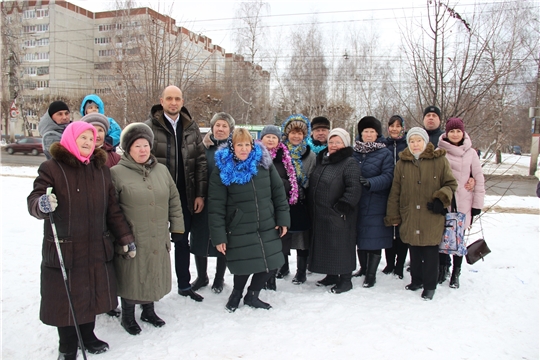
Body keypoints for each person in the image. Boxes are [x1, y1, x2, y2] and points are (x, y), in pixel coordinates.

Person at [27, 122, 135, 359]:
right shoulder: (52, 168)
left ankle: (88, 336)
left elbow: (112, 210)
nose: (87, 142)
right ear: (70, 139)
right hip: (66, 248)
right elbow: (35, 198)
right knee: (66, 299)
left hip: (96, 245)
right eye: (82, 138)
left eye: (91, 138)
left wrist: (125, 237)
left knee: (92, 294)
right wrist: (41, 205)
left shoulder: (100, 169)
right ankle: (66, 346)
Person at [110, 123, 184, 335]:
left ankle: (148, 310)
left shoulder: (161, 170)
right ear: (128, 149)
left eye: (146, 145)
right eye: (137, 146)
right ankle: (127, 315)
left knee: (153, 272)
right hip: (132, 236)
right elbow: (111, 209)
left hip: (158, 234)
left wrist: (177, 227)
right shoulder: (116, 173)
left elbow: (174, 199)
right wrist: (118, 235)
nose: (143, 150)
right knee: (132, 275)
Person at [208, 128, 290, 312]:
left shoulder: (264, 164)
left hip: (267, 223)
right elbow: (215, 206)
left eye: (247, 144)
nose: (244, 149)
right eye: (239, 145)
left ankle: (252, 295)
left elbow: (278, 192)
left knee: (272, 262)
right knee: (244, 263)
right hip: (239, 226)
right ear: (232, 146)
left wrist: (283, 218)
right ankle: (236, 293)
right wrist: (219, 236)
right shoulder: (222, 169)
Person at [145, 85, 207, 302]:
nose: (173, 102)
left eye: (177, 99)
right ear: (161, 101)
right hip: (158, 197)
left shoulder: (191, 127)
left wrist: (200, 194)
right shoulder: (149, 127)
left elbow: (200, 161)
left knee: (182, 241)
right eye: (169, 98)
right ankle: (151, 289)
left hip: (185, 196)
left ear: (182, 101)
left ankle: (184, 284)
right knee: (155, 244)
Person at [385, 127, 457, 300]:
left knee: (430, 251)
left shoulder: (439, 161)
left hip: (431, 215)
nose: (415, 145)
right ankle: (416, 280)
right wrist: (393, 215)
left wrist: (441, 199)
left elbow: (451, 184)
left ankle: (430, 285)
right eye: (411, 141)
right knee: (414, 249)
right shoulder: (402, 164)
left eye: (418, 141)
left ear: (425, 142)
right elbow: (395, 191)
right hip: (409, 214)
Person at [308, 128, 362, 293]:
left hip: (340, 214)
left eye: (338, 142)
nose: (333, 145)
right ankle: (331, 275)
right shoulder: (324, 159)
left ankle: (345, 280)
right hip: (322, 213)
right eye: (331, 142)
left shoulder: (349, 162)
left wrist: (342, 207)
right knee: (327, 245)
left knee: (342, 246)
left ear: (345, 144)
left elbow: (354, 188)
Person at [437, 118, 485, 288]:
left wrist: (477, 205)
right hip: (444, 203)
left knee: (458, 241)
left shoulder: (471, 153)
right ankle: (442, 270)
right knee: (442, 239)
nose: (455, 134)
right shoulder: (439, 151)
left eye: (458, 131)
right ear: (447, 133)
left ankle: (456, 273)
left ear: (463, 133)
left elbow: (478, 178)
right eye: (452, 131)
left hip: (463, 203)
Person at [190, 113, 234, 294]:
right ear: (212, 127)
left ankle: (219, 277)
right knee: (199, 238)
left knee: (222, 239)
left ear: (230, 129)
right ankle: (202, 276)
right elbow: (194, 172)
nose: (221, 129)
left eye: (224, 126)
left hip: (225, 203)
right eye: (218, 125)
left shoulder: (234, 149)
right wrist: (197, 195)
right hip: (203, 200)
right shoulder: (202, 147)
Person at [352, 116, 394, 288]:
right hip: (357, 201)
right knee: (360, 236)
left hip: (376, 200)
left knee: (374, 237)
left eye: (372, 132)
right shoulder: (354, 152)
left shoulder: (385, 153)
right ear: (360, 134)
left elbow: (388, 176)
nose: (368, 135)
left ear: (377, 134)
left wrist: (371, 183)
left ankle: (371, 274)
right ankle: (363, 268)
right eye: (365, 131)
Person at [278, 114, 316, 285]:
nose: (296, 136)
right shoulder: (280, 153)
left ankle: (301, 271)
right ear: (287, 133)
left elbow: (313, 177)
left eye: (300, 133)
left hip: (302, 201)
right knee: (283, 235)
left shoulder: (310, 155)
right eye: (293, 132)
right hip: (283, 200)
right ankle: (283, 266)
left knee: (302, 238)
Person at [259, 124, 299, 290]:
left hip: (279, 206)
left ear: (278, 140)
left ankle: (272, 277)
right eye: (267, 136)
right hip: (260, 207)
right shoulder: (254, 155)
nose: (270, 139)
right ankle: (261, 277)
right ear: (261, 138)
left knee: (279, 244)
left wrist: (276, 183)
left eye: (274, 137)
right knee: (263, 244)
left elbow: (291, 184)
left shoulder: (285, 157)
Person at [382, 115, 409, 279]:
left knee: (401, 230)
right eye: (392, 125)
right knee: (388, 226)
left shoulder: (407, 145)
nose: (394, 128)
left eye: (398, 126)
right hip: (386, 191)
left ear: (402, 128)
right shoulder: (383, 145)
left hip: (404, 191)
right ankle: (389, 263)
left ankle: (400, 265)